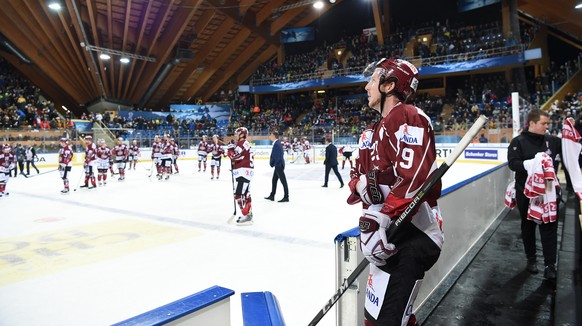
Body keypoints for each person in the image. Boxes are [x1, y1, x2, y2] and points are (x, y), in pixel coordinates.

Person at [347, 58, 443, 326]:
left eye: (373, 80)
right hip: (389, 235)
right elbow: (355, 179)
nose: (367, 86)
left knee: (384, 322)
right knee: (378, 318)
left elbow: (413, 179)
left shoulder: (408, 116)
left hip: (411, 234)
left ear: (389, 85)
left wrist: (383, 214)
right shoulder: (372, 131)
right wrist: (366, 187)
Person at [507, 109, 562, 280]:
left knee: (549, 227)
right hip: (526, 192)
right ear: (531, 123)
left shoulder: (552, 141)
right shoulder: (518, 142)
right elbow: (512, 164)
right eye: (543, 124)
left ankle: (550, 265)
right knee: (528, 226)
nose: (547, 127)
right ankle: (531, 259)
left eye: (548, 124)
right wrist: (529, 164)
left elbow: (571, 147)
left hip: (548, 192)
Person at [227, 127, 254, 225]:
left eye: (237, 134)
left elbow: (234, 156)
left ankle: (246, 215)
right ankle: (248, 214)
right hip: (246, 171)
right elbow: (242, 157)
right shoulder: (245, 144)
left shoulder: (241, 144)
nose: (235, 136)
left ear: (242, 135)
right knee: (246, 194)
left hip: (244, 172)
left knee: (238, 194)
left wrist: (230, 149)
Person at [265, 130, 289, 202]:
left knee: (283, 181)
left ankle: (286, 197)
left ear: (274, 136)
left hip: (278, 165)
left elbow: (278, 156)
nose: (270, 136)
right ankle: (272, 195)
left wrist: (276, 164)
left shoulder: (277, 144)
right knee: (274, 180)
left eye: (271, 135)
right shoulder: (276, 143)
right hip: (277, 165)